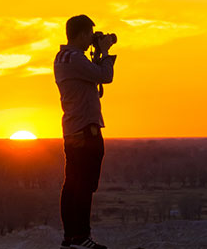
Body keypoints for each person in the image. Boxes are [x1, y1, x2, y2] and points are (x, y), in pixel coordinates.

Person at [54, 15, 116, 249]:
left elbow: (91, 80)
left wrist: (96, 55)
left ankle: (71, 237)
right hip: (85, 130)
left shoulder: (63, 57)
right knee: (84, 186)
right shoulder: (74, 58)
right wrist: (106, 54)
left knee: (72, 184)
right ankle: (80, 237)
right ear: (81, 34)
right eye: (90, 34)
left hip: (72, 129)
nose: (93, 38)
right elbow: (105, 76)